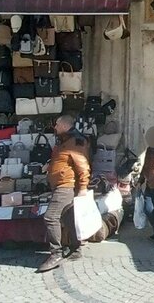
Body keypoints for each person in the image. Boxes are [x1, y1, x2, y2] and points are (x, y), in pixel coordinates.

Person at [37, 115, 91, 273]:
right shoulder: (66, 141)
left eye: (57, 124)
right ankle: (75, 248)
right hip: (62, 185)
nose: (55, 127)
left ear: (66, 125)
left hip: (65, 186)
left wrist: (83, 188)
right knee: (68, 218)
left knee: (50, 217)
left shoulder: (75, 141)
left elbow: (83, 166)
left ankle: (56, 254)